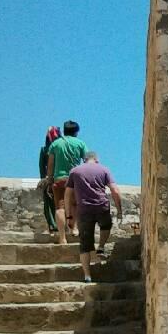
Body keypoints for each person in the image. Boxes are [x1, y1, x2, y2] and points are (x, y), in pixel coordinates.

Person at [65, 153, 123, 282]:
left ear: (84, 160)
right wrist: (119, 210)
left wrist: (69, 216)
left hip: (84, 210)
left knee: (85, 245)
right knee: (106, 225)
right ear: (96, 159)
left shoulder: (75, 171)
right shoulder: (104, 169)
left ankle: (87, 275)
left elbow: (68, 194)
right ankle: (101, 247)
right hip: (101, 206)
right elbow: (115, 190)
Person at [46, 120, 88, 245]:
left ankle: (62, 237)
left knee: (60, 208)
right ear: (76, 132)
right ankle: (74, 229)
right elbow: (87, 161)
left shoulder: (55, 144)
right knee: (75, 204)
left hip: (59, 179)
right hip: (75, 179)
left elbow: (50, 164)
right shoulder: (80, 143)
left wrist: (49, 179)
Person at [37, 126, 61, 234]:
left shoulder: (58, 148)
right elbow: (42, 166)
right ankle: (52, 224)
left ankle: (58, 225)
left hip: (56, 178)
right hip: (50, 179)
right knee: (49, 202)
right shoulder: (44, 149)